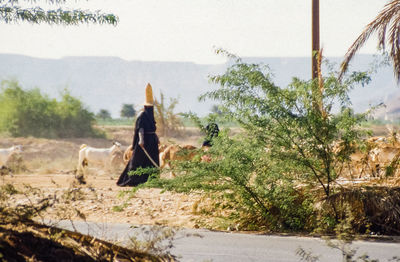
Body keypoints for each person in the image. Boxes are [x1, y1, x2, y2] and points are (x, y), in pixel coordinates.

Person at [117, 83, 160, 187]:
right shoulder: (142, 115)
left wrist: (156, 138)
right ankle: (133, 180)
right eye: (148, 107)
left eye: (151, 107)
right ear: (145, 106)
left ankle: (151, 180)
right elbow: (140, 129)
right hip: (144, 142)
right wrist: (141, 140)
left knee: (152, 160)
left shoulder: (150, 116)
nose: (150, 108)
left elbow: (152, 129)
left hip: (152, 142)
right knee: (138, 160)